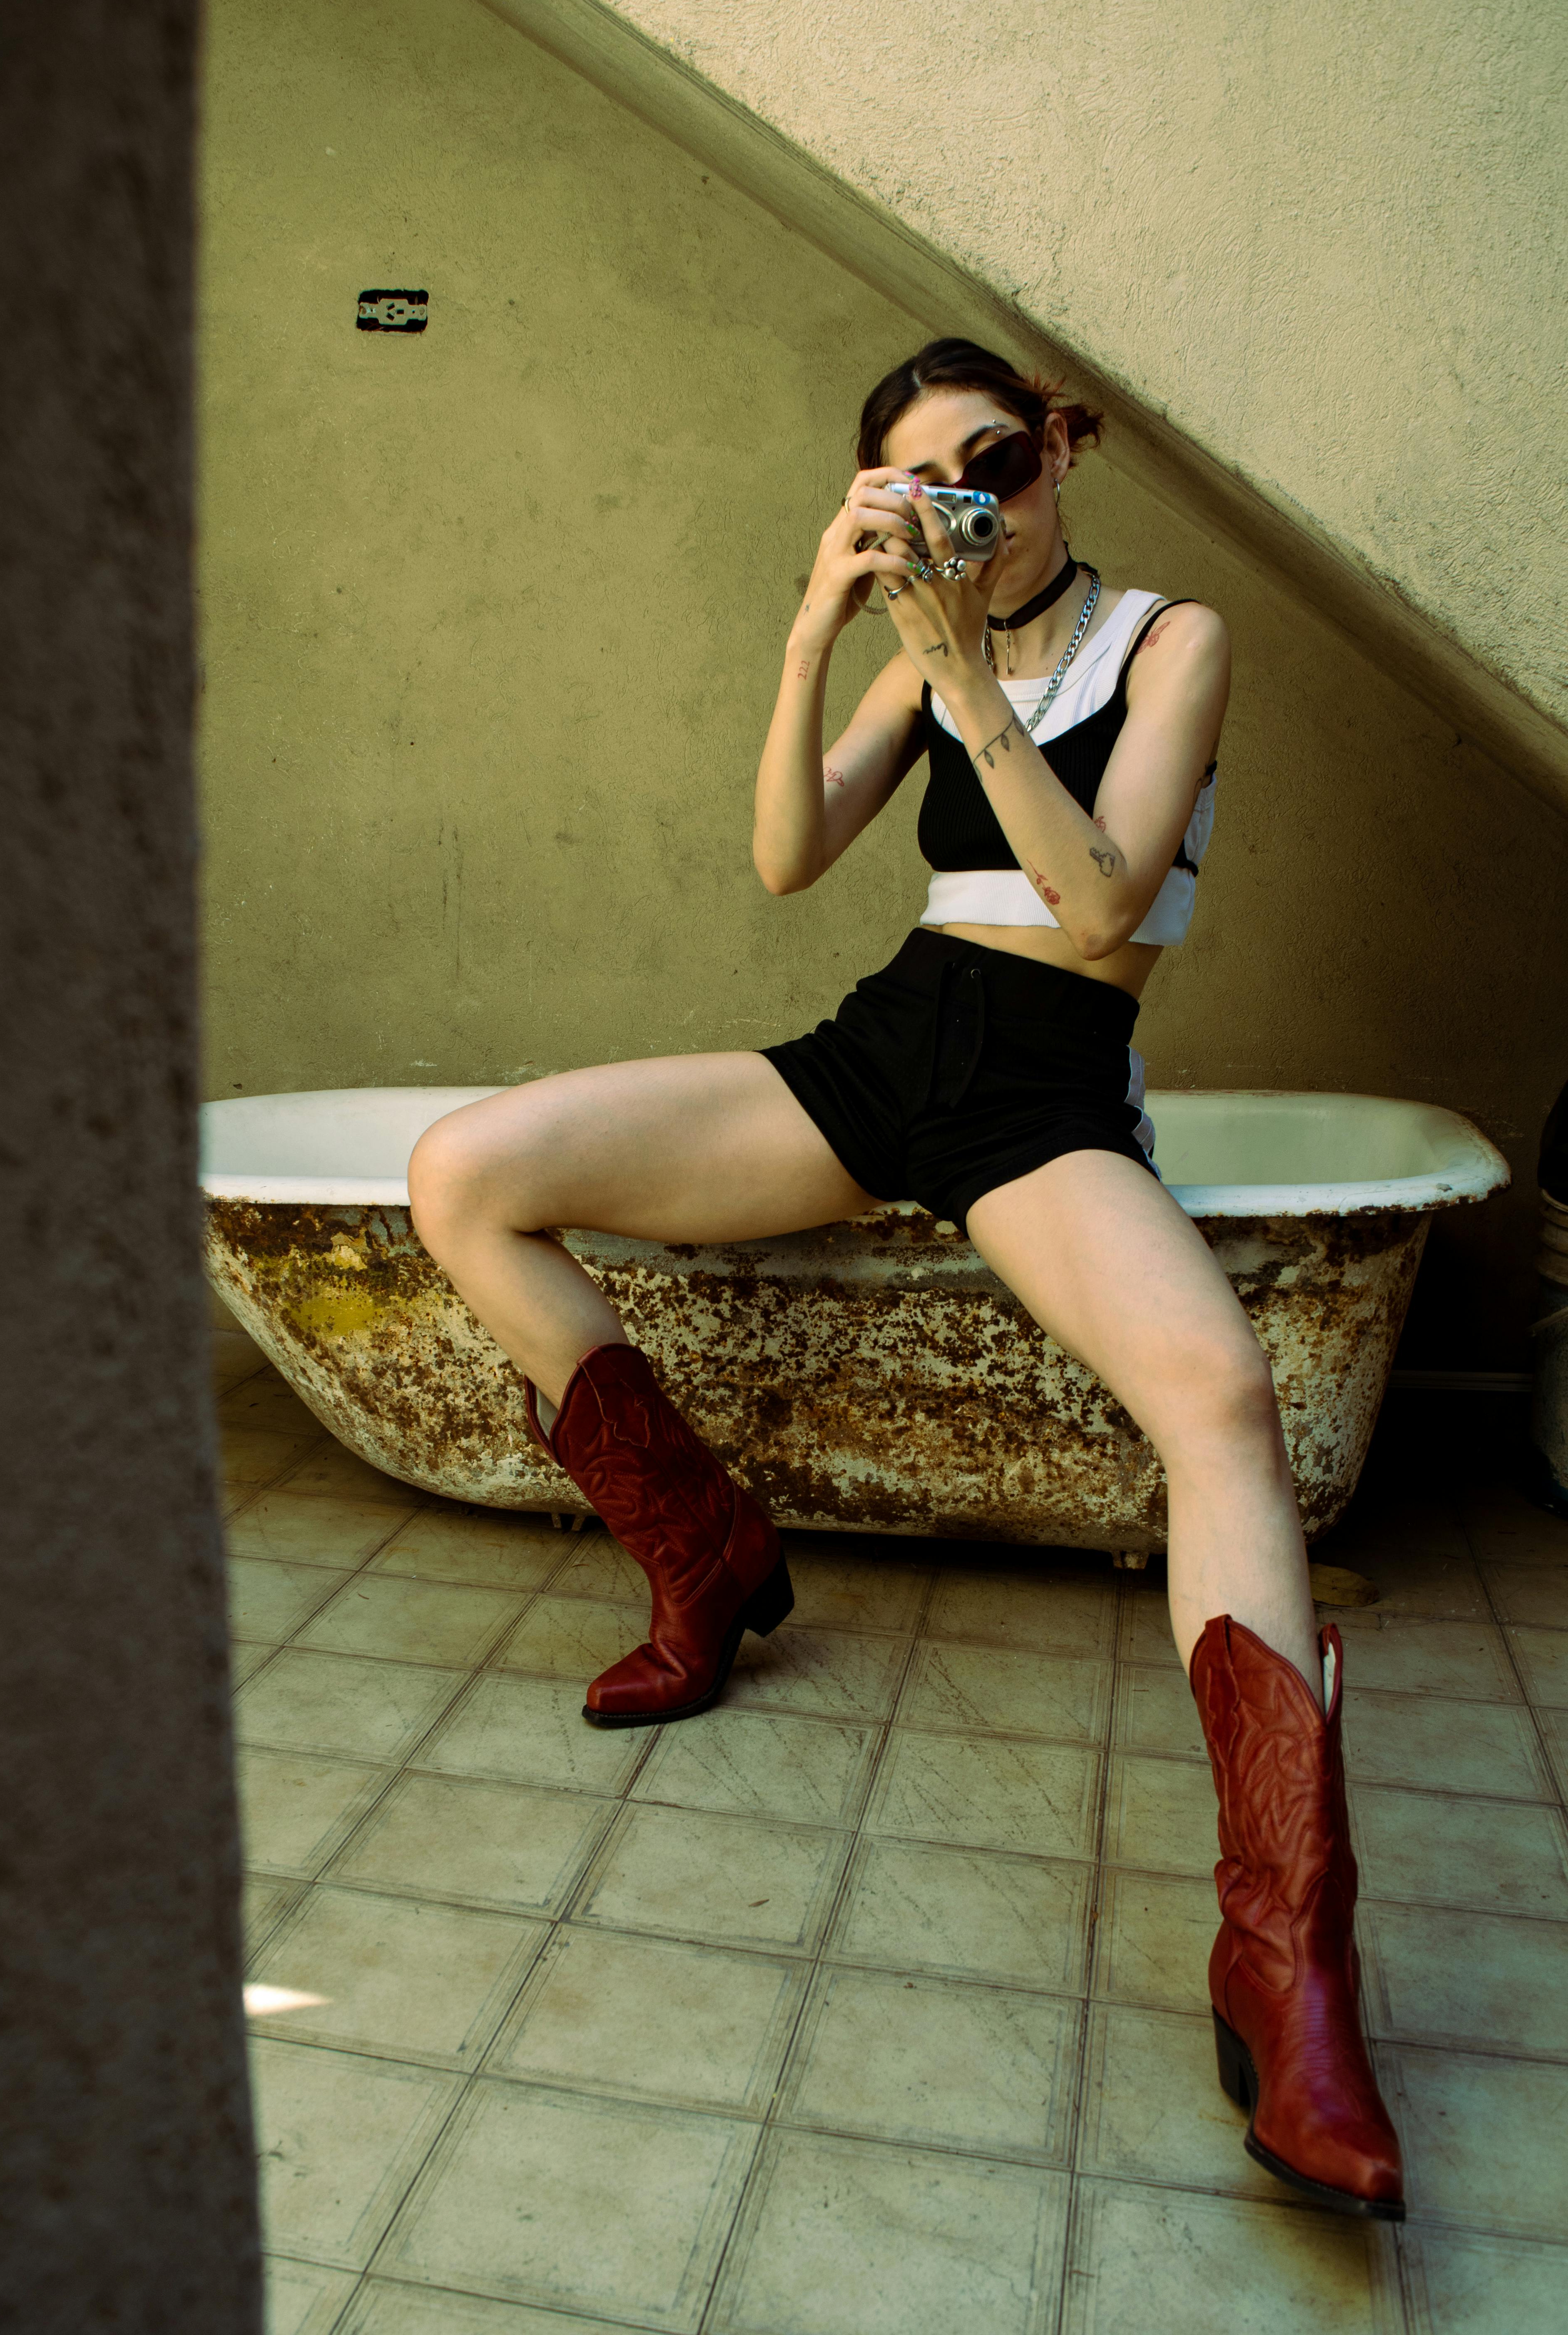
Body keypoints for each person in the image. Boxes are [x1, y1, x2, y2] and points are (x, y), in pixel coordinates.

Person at [407, 337, 1404, 2220]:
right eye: (930, 489)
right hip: (885, 1050)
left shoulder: (1169, 641)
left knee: (1217, 1397)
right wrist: (820, 626)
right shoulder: (914, 648)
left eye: (999, 464)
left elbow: (1102, 904)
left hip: (1041, 1088)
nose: (977, 510)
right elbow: (787, 861)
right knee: (464, 1171)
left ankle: (1288, 1969)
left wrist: (962, 677)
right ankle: (706, 1552)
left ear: (1062, 452)